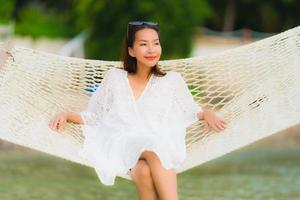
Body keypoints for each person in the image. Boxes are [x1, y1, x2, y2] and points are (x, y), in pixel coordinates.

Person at [49, 21, 227, 200]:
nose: (151, 49)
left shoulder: (172, 81)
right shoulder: (115, 78)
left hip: (157, 144)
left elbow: (191, 111)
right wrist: (66, 115)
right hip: (121, 142)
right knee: (154, 148)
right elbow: (95, 115)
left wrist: (206, 113)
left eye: (155, 43)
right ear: (131, 50)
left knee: (143, 171)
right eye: (143, 44)